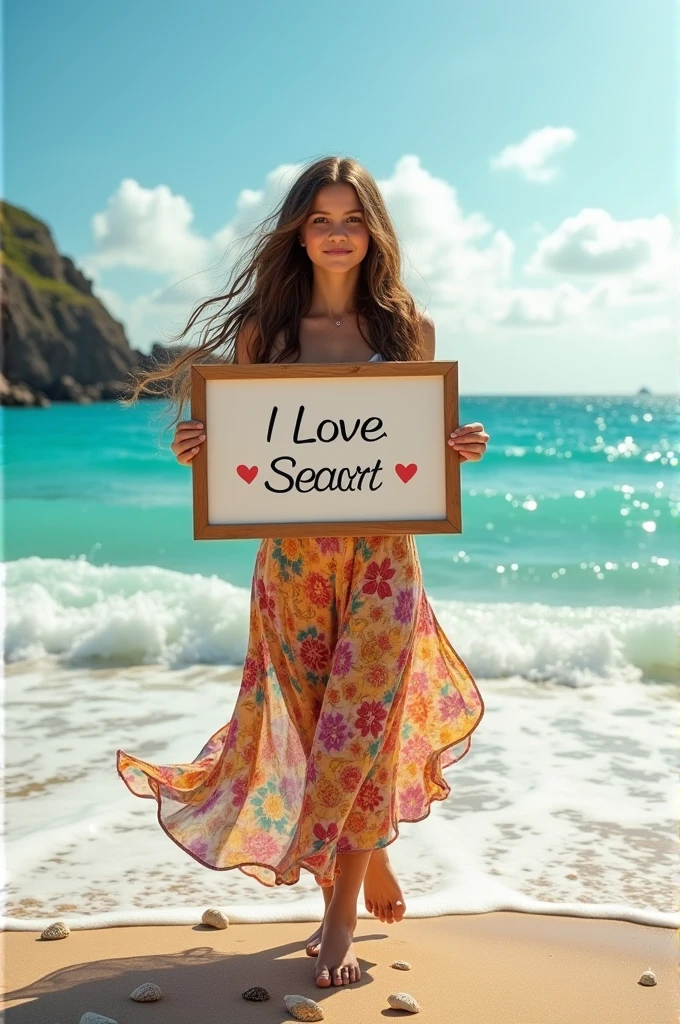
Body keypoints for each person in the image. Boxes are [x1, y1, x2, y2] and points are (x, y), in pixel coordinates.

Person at [116, 155, 489, 989]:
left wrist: (457, 445)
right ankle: (367, 852)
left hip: (386, 558)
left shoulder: (409, 332)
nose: (335, 234)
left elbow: (416, 448)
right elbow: (243, 453)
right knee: (319, 724)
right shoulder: (264, 335)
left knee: (361, 725)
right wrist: (196, 453)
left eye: (352, 219)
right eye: (320, 219)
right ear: (298, 230)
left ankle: (338, 917)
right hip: (291, 560)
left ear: (374, 231)